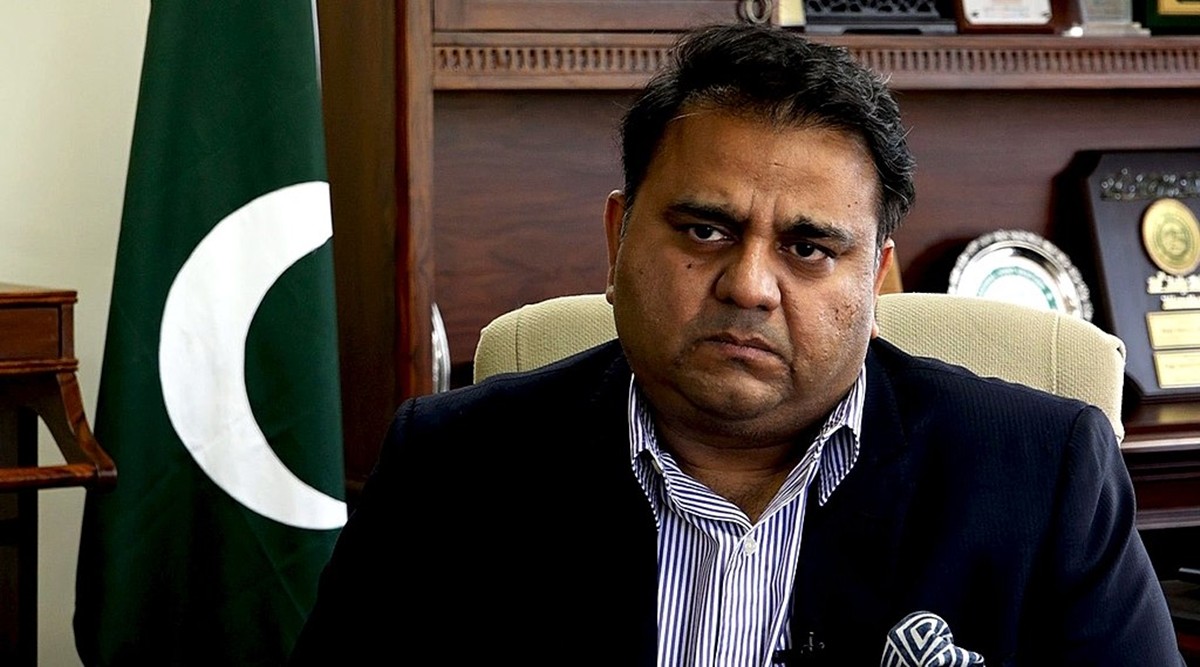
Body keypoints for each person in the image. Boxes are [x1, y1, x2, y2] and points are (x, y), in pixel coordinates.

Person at [289, 22, 1182, 666]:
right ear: (618, 239)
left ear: (876, 283)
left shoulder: (1042, 475)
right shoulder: (449, 466)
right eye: (706, 230)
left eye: (808, 247)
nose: (750, 285)